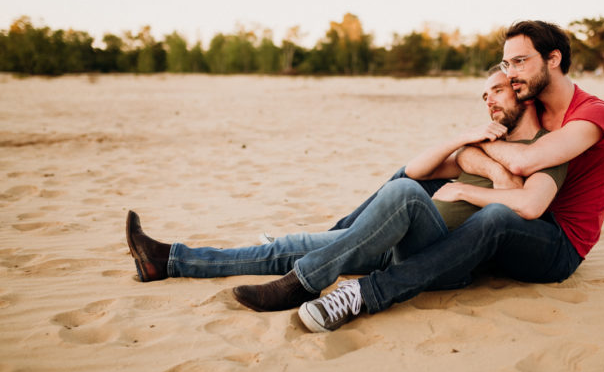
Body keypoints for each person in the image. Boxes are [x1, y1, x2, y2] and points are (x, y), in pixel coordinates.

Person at [125, 69, 566, 317]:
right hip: (395, 241)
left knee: (407, 194)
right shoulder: (486, 141)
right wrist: (469, 142)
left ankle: (304, 283)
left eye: (497, 91)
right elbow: (415, 166)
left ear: (522, 91)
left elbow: (529, 205)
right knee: (289, 245)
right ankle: (168, 260)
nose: (488, 101)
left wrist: (471, 193)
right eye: (483, 95)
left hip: (442, 261)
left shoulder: (546, 150)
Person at [282, 20, 604, 332]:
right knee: (411, 179)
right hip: (524, 217)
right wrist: (475, 145)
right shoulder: (534, 106)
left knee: (495, 215)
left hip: (558, 243)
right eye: (507, 64)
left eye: (519, 62)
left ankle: (365, 294)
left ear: (554, 59)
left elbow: (523, 164)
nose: (511, 73)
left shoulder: (591, 115)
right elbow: (472, 153)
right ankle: (336, 239)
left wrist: (467, 184)